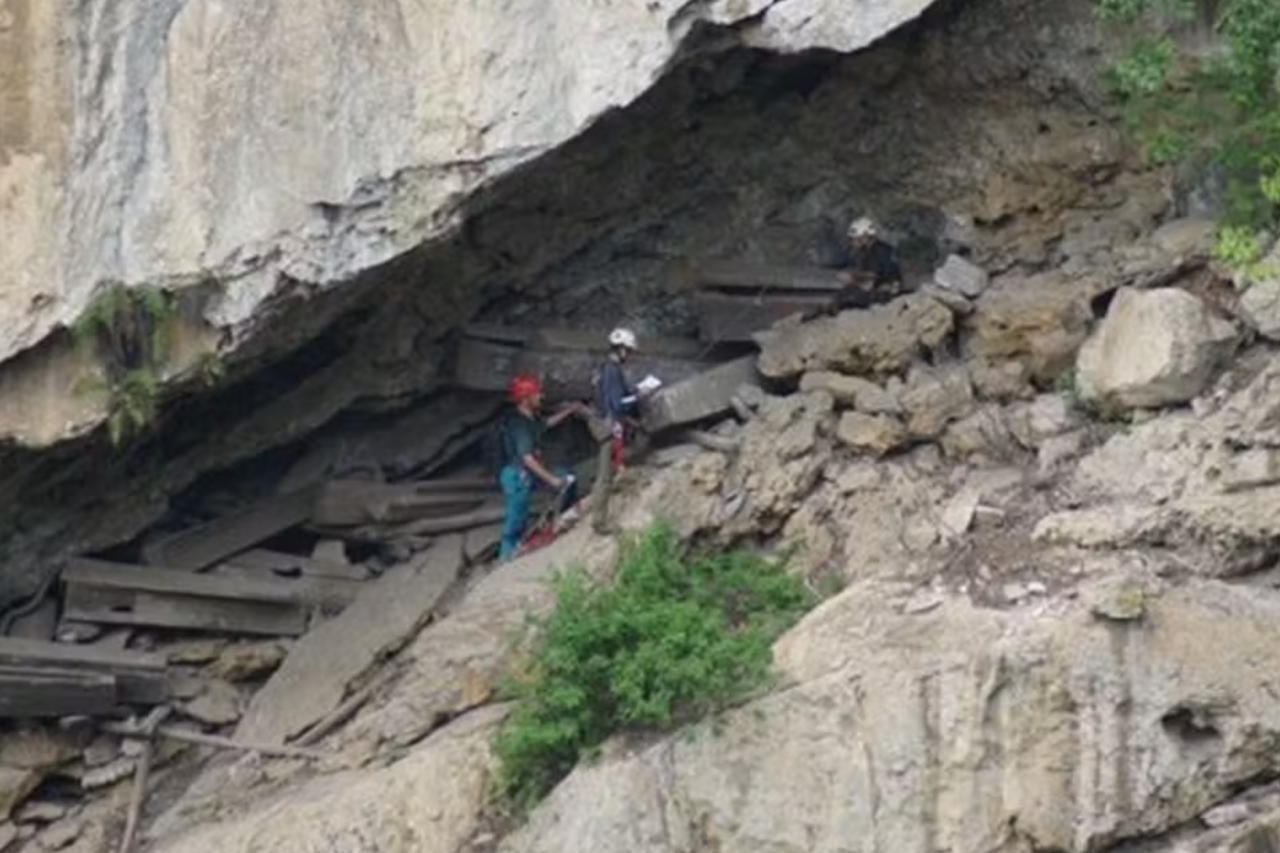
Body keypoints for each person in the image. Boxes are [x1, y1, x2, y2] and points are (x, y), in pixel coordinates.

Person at [496, 374, 588, 560]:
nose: (541, 396)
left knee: (568, 476)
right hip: (516, 474)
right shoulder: (519, 424)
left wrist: (569, 410)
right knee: (517, 514)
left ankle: (565, 517)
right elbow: (528, 458)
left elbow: (545, 423)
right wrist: (552, 480)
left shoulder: (529, 416)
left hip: (528, 470)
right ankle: (507, 554)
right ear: (525, 398)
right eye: (537, 394)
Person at [821, 216, 904, 314]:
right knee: (843, 295)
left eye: (855, 239)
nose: (853, 242)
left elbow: (872, 280)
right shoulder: (868, 252)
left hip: (885, 295)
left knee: (849, 299)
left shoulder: (880, 252)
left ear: (865, 237)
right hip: (878, 291)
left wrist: (852, 278)